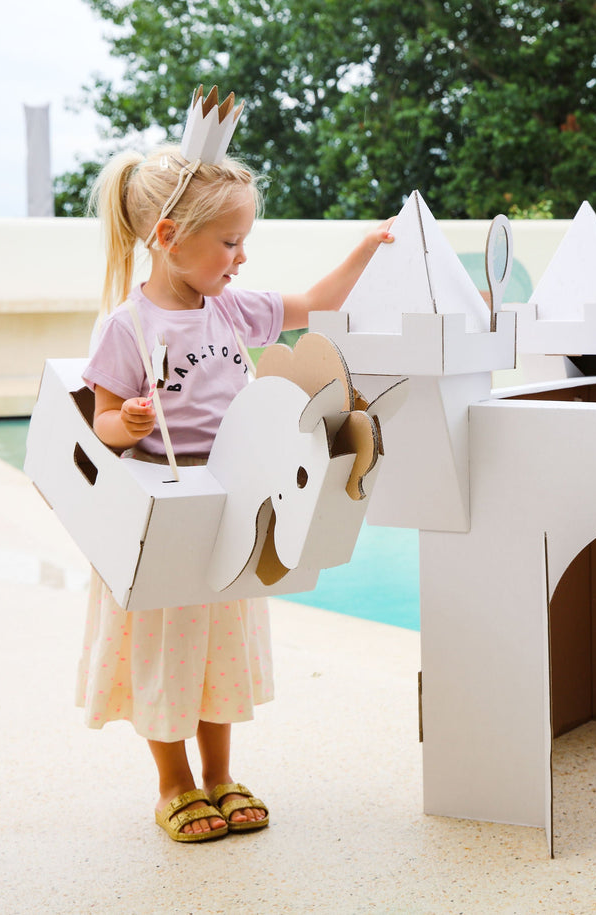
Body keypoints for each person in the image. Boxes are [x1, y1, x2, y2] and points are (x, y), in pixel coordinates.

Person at [77, 124, 393, 841]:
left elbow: (313, 303)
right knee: (164, 647)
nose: (241, 256)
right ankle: (174, 782)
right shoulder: (127, 327)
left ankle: (219, 774)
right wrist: (129, 420)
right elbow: (100, 425)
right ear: (168, 237)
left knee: (217, 646)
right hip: (162, 512)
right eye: (229, 242)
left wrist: (366, 249)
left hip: (229, 506)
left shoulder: (230, 307)